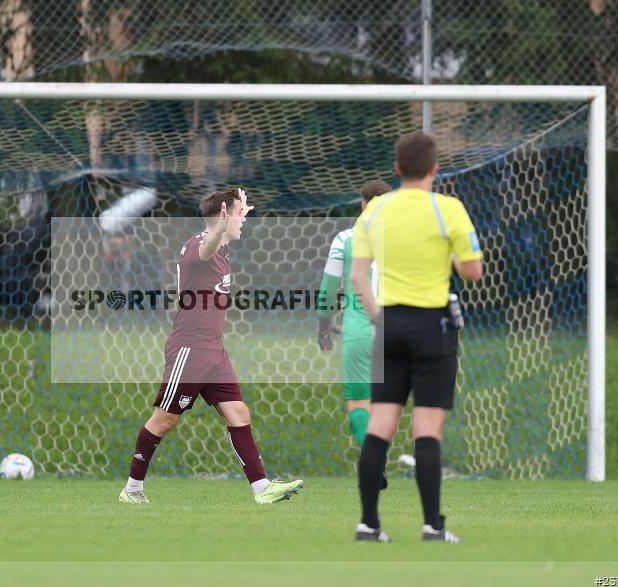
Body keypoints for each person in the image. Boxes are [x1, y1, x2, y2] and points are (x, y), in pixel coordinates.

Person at [119, 188, 304, 505]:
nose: (242, 220)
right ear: (222, 215)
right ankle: (132, 490)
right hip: (189, 350)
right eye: (237, 213)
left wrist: (231, 221)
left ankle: (262, 489)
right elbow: (205, 248)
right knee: (166, 419)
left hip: (213, 351)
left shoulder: (222, 251)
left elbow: (217, 243)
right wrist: (221, 227)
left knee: (238, 412)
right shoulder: (199, 245)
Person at [349, 132, 483, 543]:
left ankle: (369, 524)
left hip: (388, 324)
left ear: (396, 170)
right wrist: (451, 256)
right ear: (434, 169)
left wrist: (377, 318)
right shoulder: (448, 210)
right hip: (432, 327)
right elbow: (473, 271)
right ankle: (432, 525)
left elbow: (358, 277)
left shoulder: (373, 212)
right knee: (426, 429)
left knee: (379, 427)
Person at [317, 180, 392, 448]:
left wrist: (323, 325)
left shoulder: (345, 239)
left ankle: (375, 458)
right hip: (398, 330)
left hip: (359, 331)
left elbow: (327, 290)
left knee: (360, 402)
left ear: (362, 204)